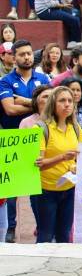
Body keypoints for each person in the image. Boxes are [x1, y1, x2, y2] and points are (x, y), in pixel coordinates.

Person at [0, 40, 51, 241]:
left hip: (42, 138)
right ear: (14, 57)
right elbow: (10, 109)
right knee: (12, 189)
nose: (27, 57)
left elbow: (50, 105)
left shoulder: (43, 77)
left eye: (29, 53)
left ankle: (42, 226)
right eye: (21, 54)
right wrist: (36, 104)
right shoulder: (5, 81)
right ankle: (11, 227)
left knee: (39, 187)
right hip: (14, 139)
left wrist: (22, 101)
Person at [33, 86, 82, 243]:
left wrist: (77, 166)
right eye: (62, 100)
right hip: (45, 191)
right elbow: (39, 164)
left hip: (69, 189)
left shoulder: (75, 128)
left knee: (64, 234)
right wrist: (62, 157)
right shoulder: (41, 128)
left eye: (70, 101)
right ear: (53, 104)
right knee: (46, 235)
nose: (67, 104)